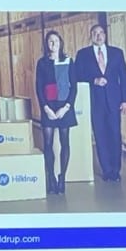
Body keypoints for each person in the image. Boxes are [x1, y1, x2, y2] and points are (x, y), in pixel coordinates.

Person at [75, 24, 126, 182]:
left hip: (114, 101)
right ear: (90, 36)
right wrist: (94, 80)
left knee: (115, 135)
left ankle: (116, 169)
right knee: (100, 136)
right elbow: (77, 75)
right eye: (95, 33)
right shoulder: (83, 54)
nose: (98, 36)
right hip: (94, 102)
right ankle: (107, 170)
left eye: (101, 33)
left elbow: (124, 77)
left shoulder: (116, 53)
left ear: (105, 35)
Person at [35, 30, 78, 194]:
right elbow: (39, 87)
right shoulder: (42, 63)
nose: (53, 44)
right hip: (48, 107)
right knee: (47, 143)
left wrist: (66, 107)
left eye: (56, 41)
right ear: (47, 44)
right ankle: (51, 177)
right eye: (50, 41)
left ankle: (62, 178)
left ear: (61, 43)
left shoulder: (68, 61)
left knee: (65, 142)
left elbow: (73, 87)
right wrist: (46, 108)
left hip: (64, 107)